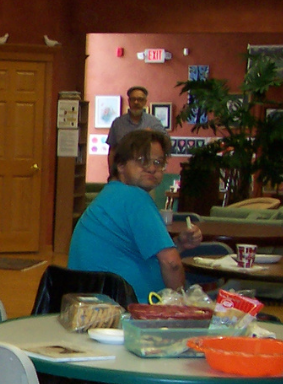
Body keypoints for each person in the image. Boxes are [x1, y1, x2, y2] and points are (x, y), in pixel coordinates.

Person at [68, 129, 201, 303]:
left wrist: (179, 245)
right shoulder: (135, 198)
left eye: (158, 162)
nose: (152, 168)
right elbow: (172, 264)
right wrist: (182, 305)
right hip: (127, 309)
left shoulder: (110, 195)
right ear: (121, 165)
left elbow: (135, 252)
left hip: (92, 304)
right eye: (142, 161)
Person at [106, 86, 164, 169]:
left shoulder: (154, 123)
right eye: (133, 99)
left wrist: (152, 135)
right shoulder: (118, 123)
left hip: (146, 171)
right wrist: (112, 173)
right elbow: (112, 151)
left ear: (145, 102)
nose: (136, 102)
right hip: (123, 171)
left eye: (140, 99)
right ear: (129, 101)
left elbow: (165, 146)